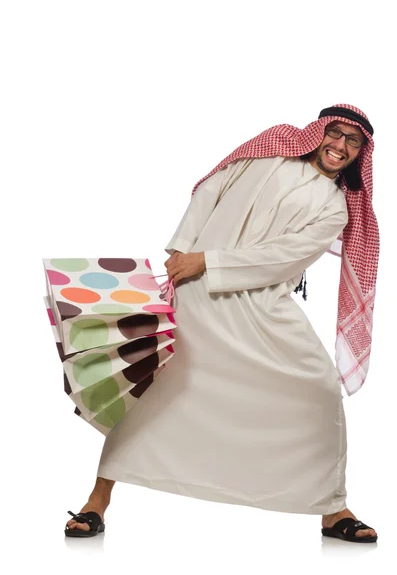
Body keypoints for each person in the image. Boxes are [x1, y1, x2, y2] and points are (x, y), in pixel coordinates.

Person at [65, 104, 379, 543]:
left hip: (262, 306)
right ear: (318, 132)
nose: (340, 146)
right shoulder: (266, 156)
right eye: (336, 134)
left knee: (318, 389)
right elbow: (210, 189)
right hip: (195, 298)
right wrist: (182, 249)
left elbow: (281, 259)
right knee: (156, 394)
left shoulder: (335, 209)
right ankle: (97, 500)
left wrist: (205, 260)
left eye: (353, 141)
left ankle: (332, 508)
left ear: (361, 153)